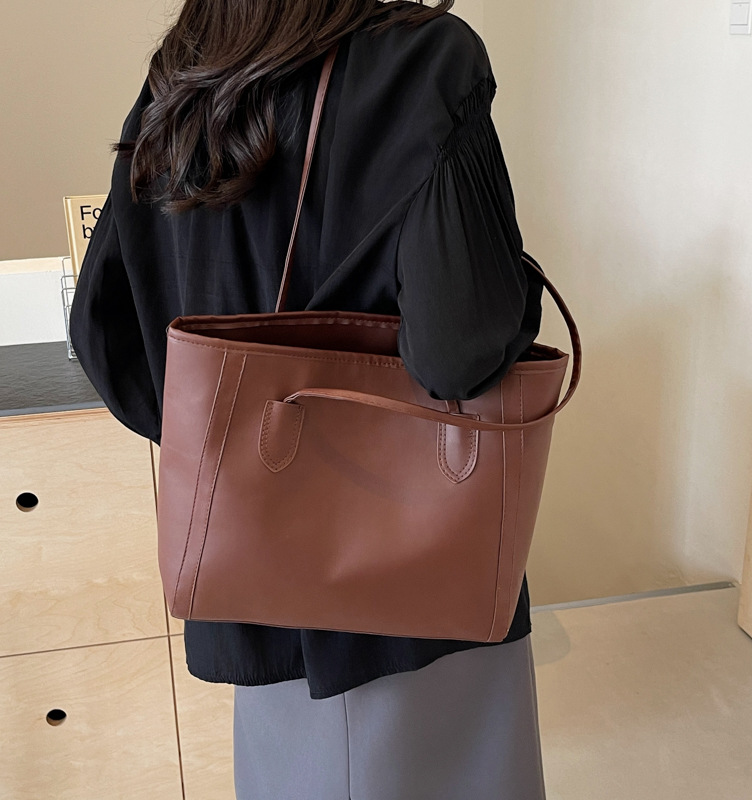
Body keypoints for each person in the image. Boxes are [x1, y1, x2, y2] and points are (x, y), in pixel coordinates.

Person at [69, 1, 546, 797]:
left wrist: (240, 448)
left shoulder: (180, 82)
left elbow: (104, 337)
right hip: (416, 587)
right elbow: (459, 351)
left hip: (253, 583)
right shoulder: (423, 61)